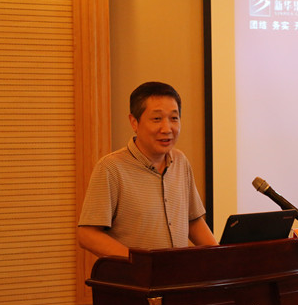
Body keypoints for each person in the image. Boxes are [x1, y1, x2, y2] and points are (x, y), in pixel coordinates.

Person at [77, 81, 217, 257]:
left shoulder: (181, 161)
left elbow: (193, 221)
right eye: (157, 119)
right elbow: (87, 235)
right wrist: (140, 263)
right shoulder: (111, 168)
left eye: (174, 118)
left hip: (177, 273)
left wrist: (221, 257)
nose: (167, 129)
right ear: (134, 122)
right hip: (136, 274)